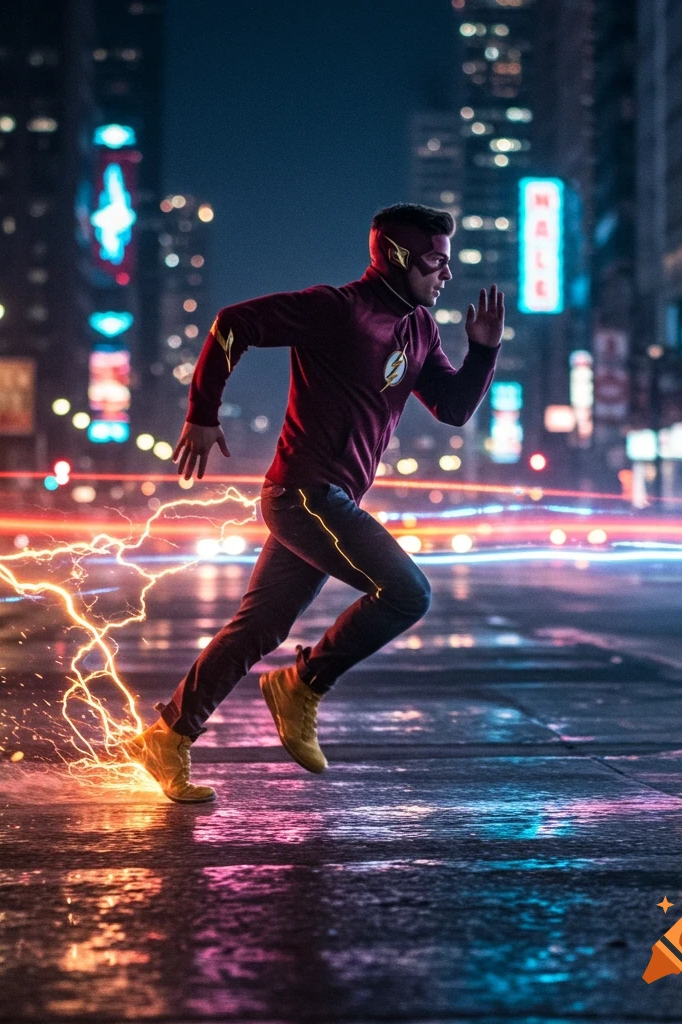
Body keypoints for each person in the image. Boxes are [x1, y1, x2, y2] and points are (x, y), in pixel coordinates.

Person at [122, 203, 503, 802]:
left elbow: (453, 409)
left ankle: (168, 735)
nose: (446, 275)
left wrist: (481, 352)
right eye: (435, 261)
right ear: (399, 257)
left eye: (448, 264)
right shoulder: (337, 310)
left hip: (325, 500)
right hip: (305, 493)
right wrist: (201, 412)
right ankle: (303, 683)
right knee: (408, 593)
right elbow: (232, 324)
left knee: (260, 626)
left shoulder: (421, 330)